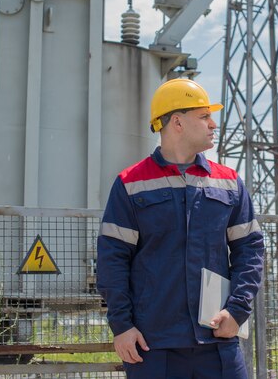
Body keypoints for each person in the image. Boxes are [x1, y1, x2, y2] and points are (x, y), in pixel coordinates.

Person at [96, 78, 265, 379]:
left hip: (217, 339)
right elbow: (112, 260)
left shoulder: (229, 182)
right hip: (152, 344)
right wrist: (122, 326)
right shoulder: (130, 184)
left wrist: (237, 311)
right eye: (204, 116)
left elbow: (250, 249)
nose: (213, 124)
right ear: (177, 122)